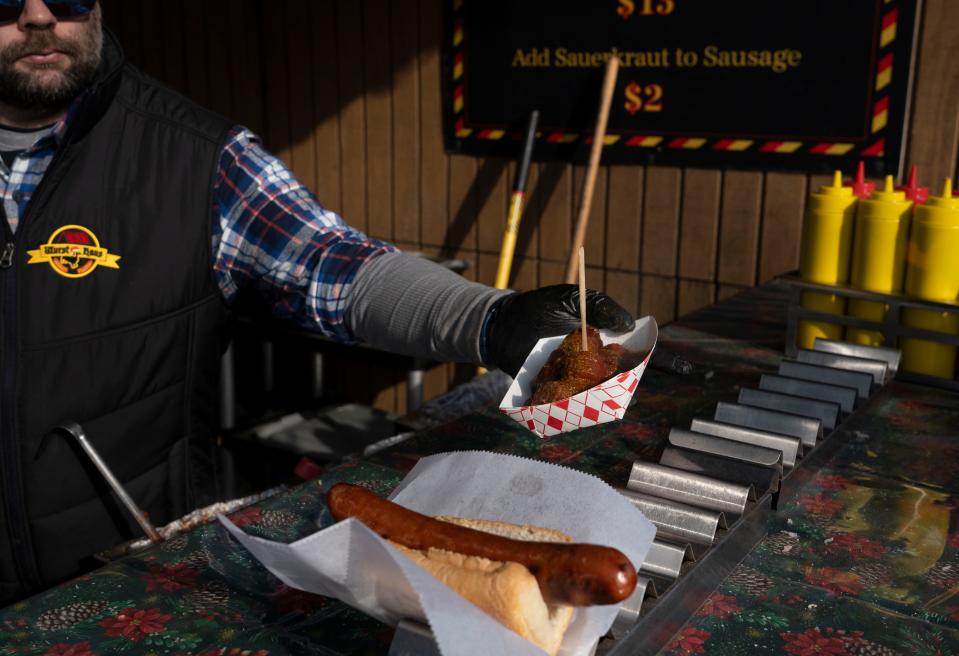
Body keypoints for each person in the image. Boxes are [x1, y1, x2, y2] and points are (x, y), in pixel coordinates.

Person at [0, 0, 635, 605]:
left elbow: (332, 263)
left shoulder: (193, 157)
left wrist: (491, 319)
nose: (38, 14)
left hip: (128, 570)